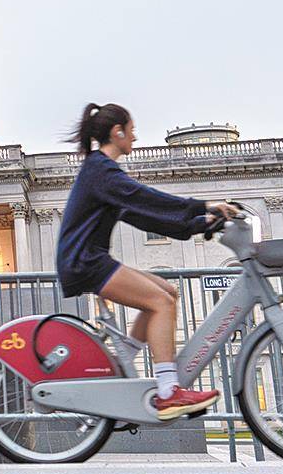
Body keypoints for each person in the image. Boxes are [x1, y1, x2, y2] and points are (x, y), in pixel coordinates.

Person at [56, 102, 242, 420]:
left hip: (88, 259)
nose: (136, 137)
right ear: (118, 133)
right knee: (160, 302)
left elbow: (146, 217)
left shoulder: (101, 172)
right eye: (132, 130)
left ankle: (122, 363)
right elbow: (145, 198)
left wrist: (200, 224)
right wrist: (203, 205)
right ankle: (168, 391)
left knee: (166, 292)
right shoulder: (101, 170)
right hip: (85, 261)